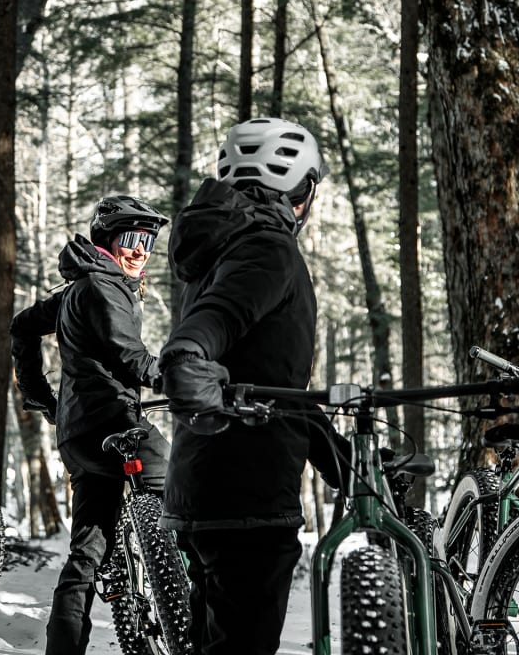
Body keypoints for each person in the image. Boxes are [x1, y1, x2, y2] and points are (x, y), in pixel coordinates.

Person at [158, 117, 351, 655]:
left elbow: (272, 381)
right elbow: (207, 329)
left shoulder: (222, 248)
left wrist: (346, 465)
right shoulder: (269, 249)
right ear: (301, 189)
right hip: (248, 500)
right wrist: (187, 356)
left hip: (207, 491)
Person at [10, 195, 170, 655]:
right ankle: (189, 619)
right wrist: (185, 377)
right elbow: (131, 355)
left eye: (148, 240)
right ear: (107, 240)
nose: (141, 249)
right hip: (116, 424)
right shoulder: (102, 286)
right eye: (131, 238)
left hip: (78, 434)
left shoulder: (81, 285)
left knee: (86, 553)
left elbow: (22, 326)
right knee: (187, 500)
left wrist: (40, 396)